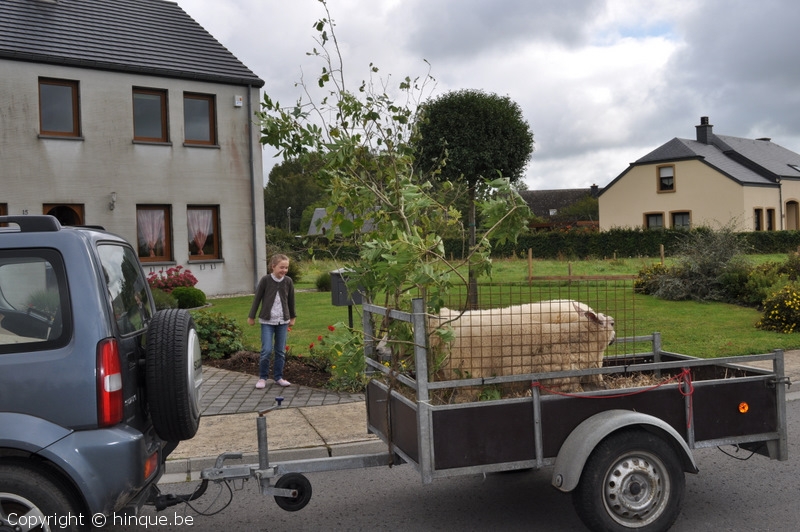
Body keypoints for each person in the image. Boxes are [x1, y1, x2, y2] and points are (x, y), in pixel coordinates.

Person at [247, 254, 296, 388]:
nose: (284, 270)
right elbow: (257, 299)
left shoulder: (288, 281)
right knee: (266, 350)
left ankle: (278, 377)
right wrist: (251, 316)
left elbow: (291, 300)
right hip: (267, 321)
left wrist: (292, 317)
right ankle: (262, 378)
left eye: (286, 268)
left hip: (283, 321)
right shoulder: (266, 280)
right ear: (273, 266)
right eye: (282, 267)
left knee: (280, 351)